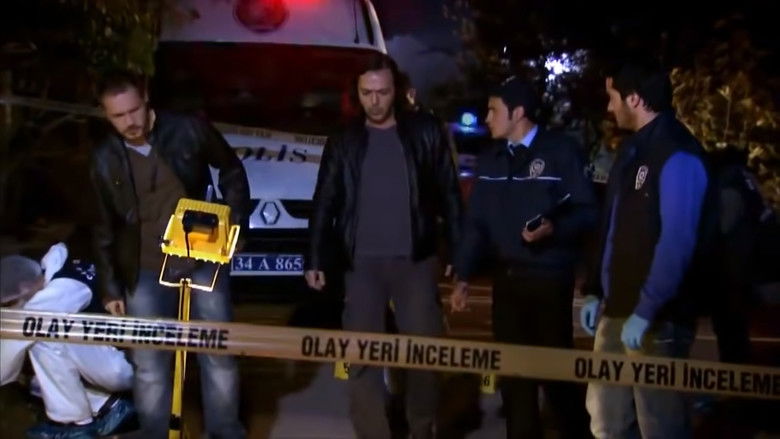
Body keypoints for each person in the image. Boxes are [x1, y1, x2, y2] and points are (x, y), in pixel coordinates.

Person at [305, 53, 463, 439]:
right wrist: (315, 257)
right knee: (361, 357)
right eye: (367, 93)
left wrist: (461, 256)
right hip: (360, 265)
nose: (374, 101)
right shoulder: (344, 141)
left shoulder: (426, 132)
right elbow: (325, 201)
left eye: (382, 92)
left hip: (415, 261)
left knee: (424, 354)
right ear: (356, 94)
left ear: (398, 91)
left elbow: (450, 195)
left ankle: (420, 428)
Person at [89, 70, 250, 438]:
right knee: (149, 361)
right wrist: (111, 288)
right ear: (105, 114)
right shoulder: (103, 157)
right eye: (118, 116)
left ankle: (224, 431)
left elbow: (231, 169)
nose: (129, 122)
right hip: (144, 266)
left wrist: (235, 224)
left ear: (145, 97)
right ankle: (154, 433)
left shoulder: (188, 129)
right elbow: (103, 225)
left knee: (217, 351)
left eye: (133, 110)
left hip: (204, 256)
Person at [451, 76, 596, 439]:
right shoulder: (491, 160)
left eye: (493, 110)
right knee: (514, 380)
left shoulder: (560, 151)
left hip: (549, 279)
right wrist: (463, 276)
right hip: (508, 281)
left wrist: (553, 228)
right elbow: (476, 224)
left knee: (557, 377)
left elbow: (587, 211)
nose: (486, 118)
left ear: (517, 113)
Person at [579, 57, 714, 438]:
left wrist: (647, 308)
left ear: (634, 99)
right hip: (617, 310)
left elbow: (677, 241)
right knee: (606, 422)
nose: (609, 108)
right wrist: (595, 289)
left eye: (613, 98)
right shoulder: (632, 151)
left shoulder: (678, 154)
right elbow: (612, 227)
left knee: (660, 424)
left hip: (658, 319)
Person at [1, 243, 135, 439]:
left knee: (40, 336)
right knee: (36, 377)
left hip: (127, 365)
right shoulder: (57, 272)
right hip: (111, 359)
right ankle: (110, 407)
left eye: (9, 304)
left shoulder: (66, 285)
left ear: (24, 287)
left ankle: (75, 424)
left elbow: (21, 330)